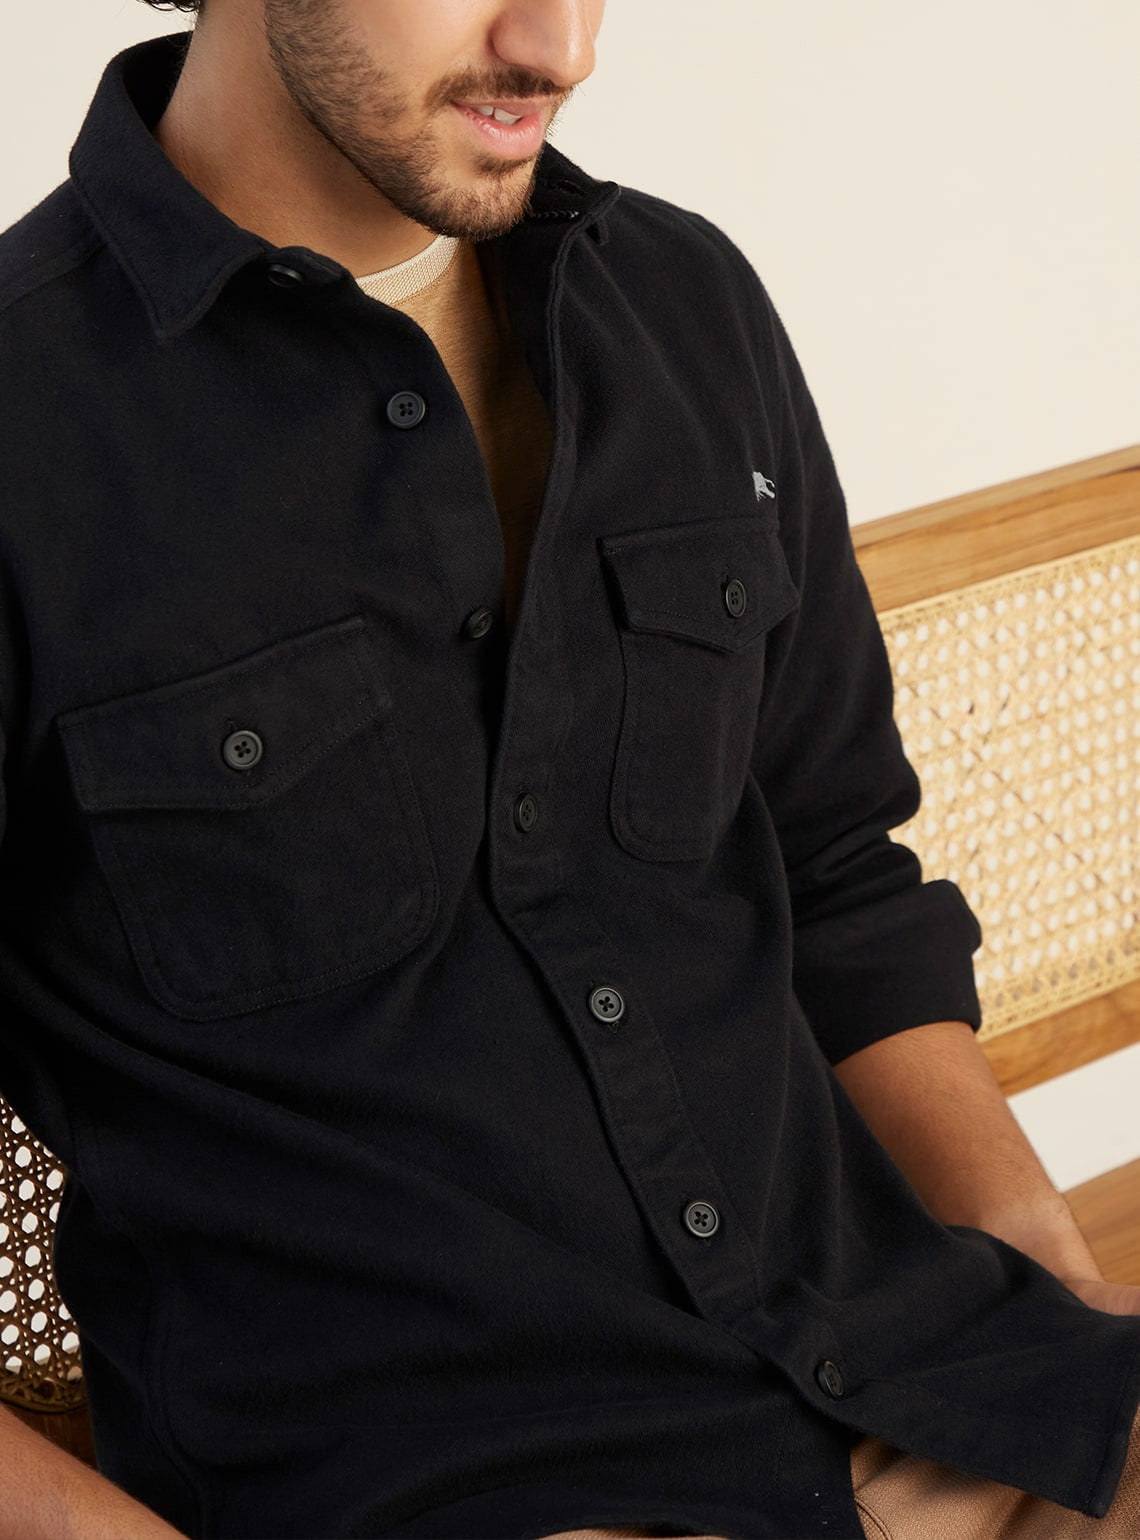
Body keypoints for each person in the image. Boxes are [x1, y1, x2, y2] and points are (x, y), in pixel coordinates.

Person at [0, 2, 1138, 1536]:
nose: (563, 45)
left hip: (928, 1385)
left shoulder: (681, 299)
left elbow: (837, 872)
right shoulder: (27, 424)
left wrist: (1056, 1321)